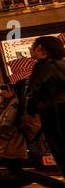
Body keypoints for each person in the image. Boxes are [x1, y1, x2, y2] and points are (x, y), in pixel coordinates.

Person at [25, 35, 65, 179]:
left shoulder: (43, 66)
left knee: (58, 148)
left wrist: (30, 108)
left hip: (53, 111)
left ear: (40, 48)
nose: (31, 50)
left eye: (33, 47)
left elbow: (33, 90)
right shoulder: (61, 64)